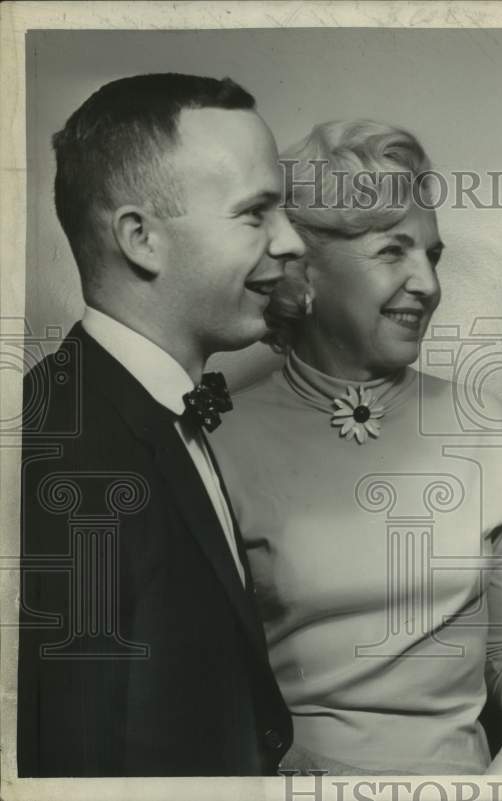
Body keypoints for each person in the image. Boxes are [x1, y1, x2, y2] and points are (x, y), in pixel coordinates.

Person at [209, 119, 502, 775]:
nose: (427, 282)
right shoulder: (219, 440)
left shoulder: (480, 421)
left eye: (433, 255)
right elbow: (204, 688)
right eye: (394, 252)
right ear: (304, 270)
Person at [18, 73, 306, 776]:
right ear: (140, 238)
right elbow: (73, 760)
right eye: (255, 213)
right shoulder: (72, 452)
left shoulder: (132, 406)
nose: (293, 241)